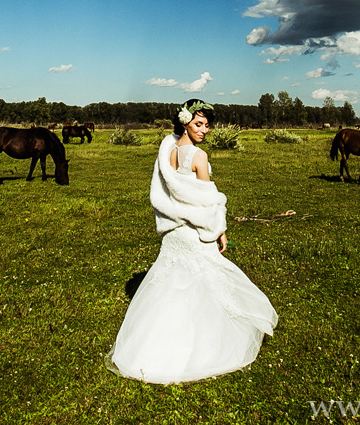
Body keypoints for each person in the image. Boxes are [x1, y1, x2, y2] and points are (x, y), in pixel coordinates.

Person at [107, 99, 277, 384]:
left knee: (171, 281)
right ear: (184, 122)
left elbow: (170, 193)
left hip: (174, 232)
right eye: (199, 124)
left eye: (207, 125)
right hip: (192, 231)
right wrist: (220, 228)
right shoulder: (198, 157)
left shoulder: (167, 152)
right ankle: (207, 342)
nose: (205, 130)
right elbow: (206, 201)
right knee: (210, 277)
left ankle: (154, 344)